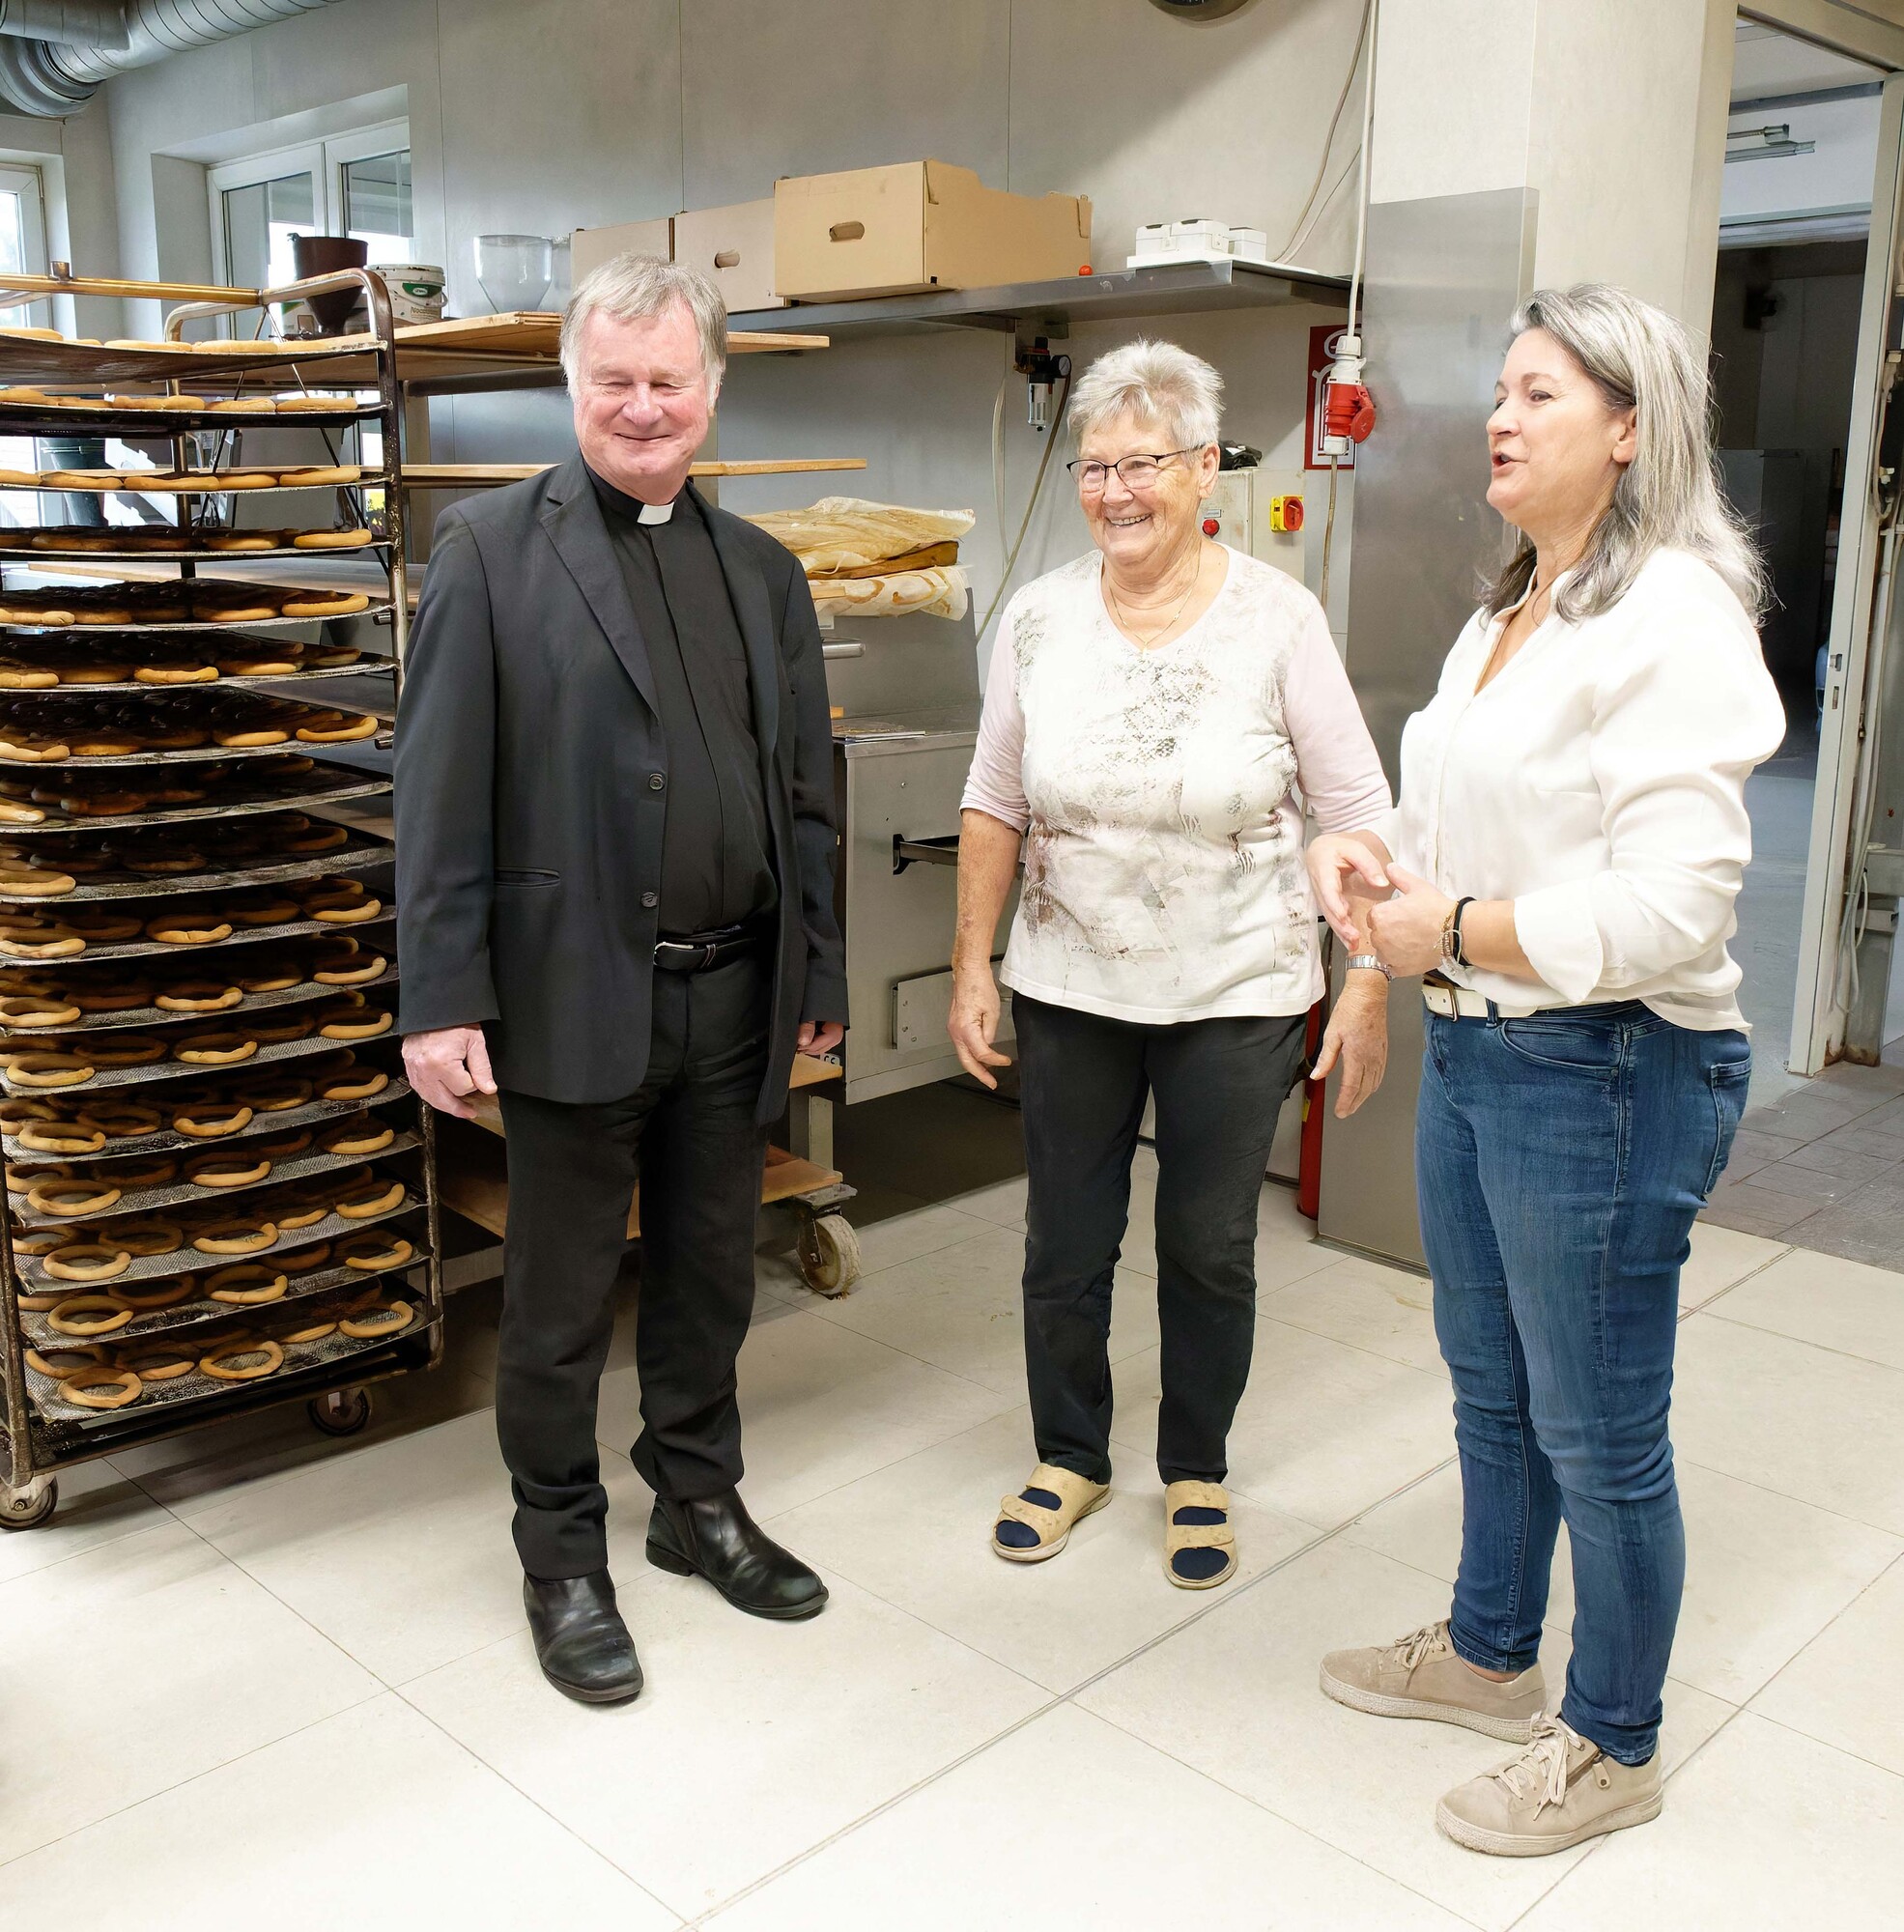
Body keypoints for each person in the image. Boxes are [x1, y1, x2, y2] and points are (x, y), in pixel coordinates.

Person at [1310, 284, 1784, 1856]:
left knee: (1600, 1428)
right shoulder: (1509, 609)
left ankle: (1614, 1737)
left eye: (1541, 396)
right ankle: (1490, 1651)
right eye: (1501, 394)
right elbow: (1462, 831)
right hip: (1485, 1041)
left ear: (1632, 429)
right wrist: (1385, 883)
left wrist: (1452, 920)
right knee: (1494, 1389)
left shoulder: (1678, 618)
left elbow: (1673, 908)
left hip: (1612, 1065)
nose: (1500, 421)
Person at [393, 254, 846, 1706]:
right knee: (562, 1294)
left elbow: (806, 794)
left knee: (714, 1269)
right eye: (615, 383)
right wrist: (438, 994)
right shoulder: (487, 553)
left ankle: (695, 1500)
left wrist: (818, 969)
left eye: (668, 381)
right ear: (572, 389)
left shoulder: (762, 571)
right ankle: (561, 1552)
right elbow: (440, 791)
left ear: (710, 392)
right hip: (573, 992)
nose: (642, 408)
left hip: (732, 994)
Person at [951, 338, 1392, 1590]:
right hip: (1070, 983)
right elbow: (993, 801)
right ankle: (1070, 1454)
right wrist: (973, 961)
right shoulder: (1036, 620)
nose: (1116, 493)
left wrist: (1366, 974)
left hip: (1235, 992)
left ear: (1205, 468)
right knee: (1063, 1240)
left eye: (1143, 464)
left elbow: (1355, 809)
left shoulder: (1279, 619)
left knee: (1209, 1242)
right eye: (1095, 468)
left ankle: (1196, 1466)